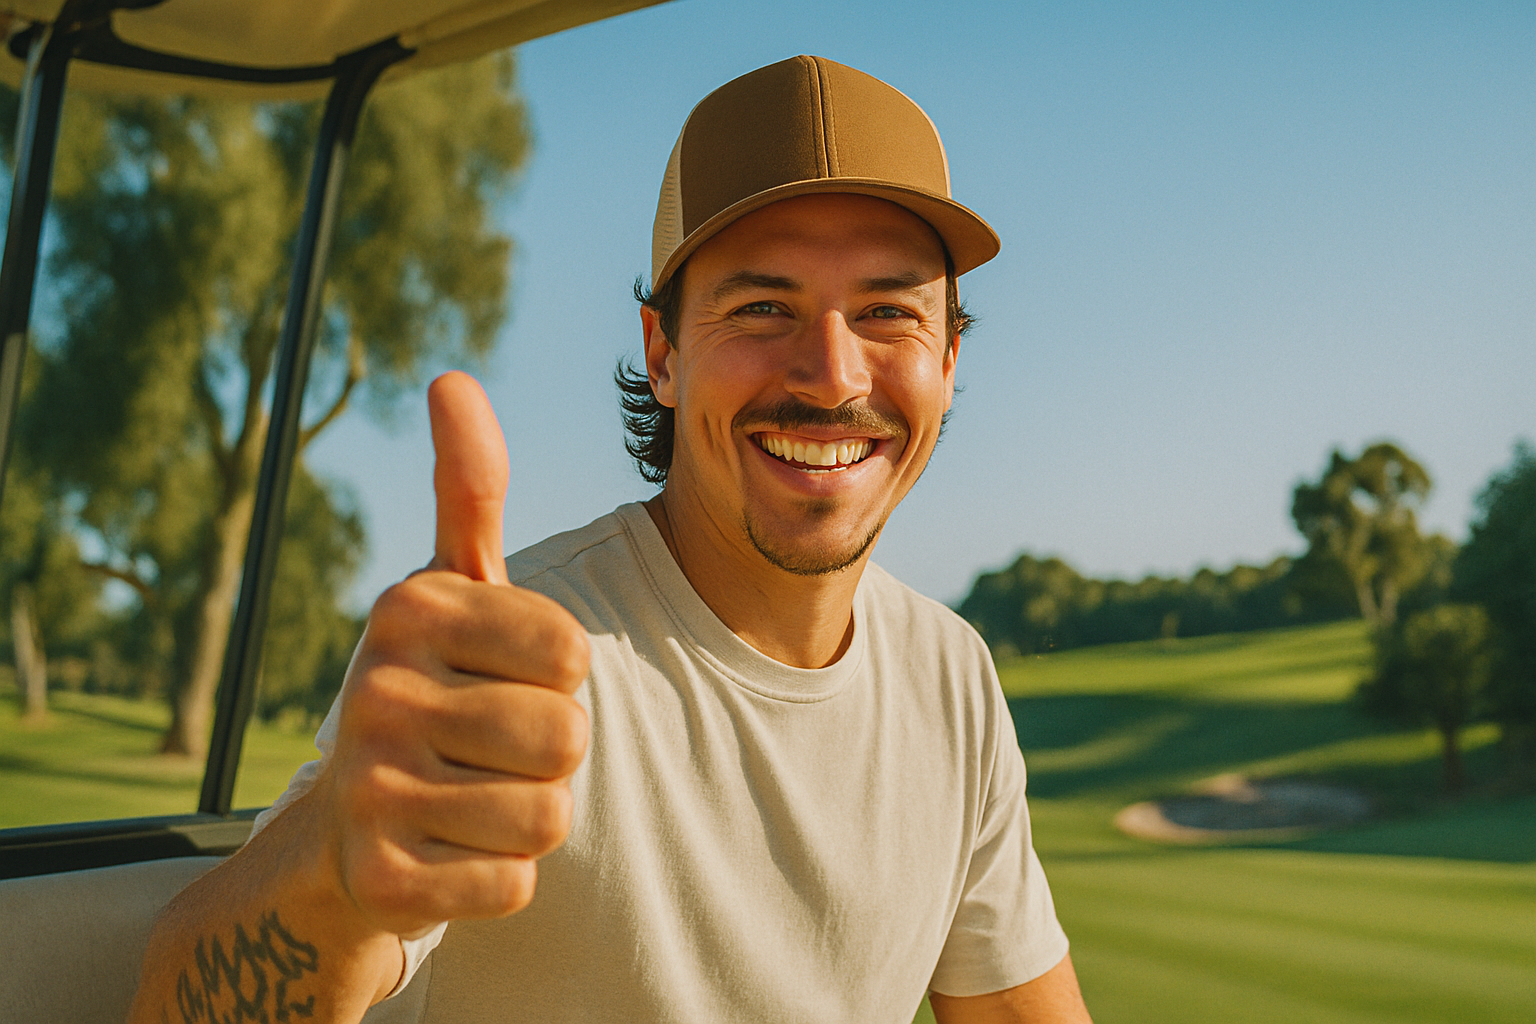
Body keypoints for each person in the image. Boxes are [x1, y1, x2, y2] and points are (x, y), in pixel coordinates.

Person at [128, 55, 1093, 1024]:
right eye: (763, 308)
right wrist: (334, 866)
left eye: (889, 312)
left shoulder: (950, 672)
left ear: (949, 355)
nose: (833, 375)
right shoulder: (515, 656)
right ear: (663, 354)